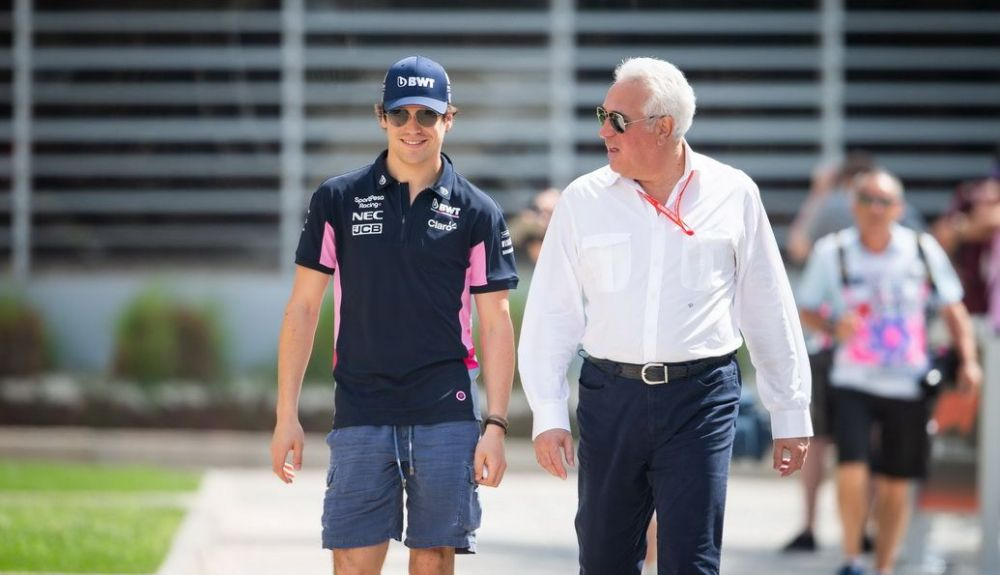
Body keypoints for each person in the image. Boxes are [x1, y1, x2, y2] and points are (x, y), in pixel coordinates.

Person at [518, 56, 813, 575]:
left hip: (700, 398)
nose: (603, 130)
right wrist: (547, 414)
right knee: (604, 559)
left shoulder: (734, 192)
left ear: (664, 127)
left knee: (692, 561)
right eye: (601, 115)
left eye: (617, 120)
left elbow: (767, 304)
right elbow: (552, 313)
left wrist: (790, 411)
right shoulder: (582, 200)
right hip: (610, 398)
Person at [269, 55, 519, 575]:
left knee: (431, 561)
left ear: (449, 118)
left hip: (445, 411)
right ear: (381, 116)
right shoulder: (337, 199)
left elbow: (495, 321)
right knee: (354, 562)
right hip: (361, 406)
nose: (413, 128)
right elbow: (303, 307)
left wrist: (495, 423)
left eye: (426, 115)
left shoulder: (478, 211)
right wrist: (285, 415)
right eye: (400, 114)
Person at [797, 170, 982, 575]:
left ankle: (883, 567)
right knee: (852, 470)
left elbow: (953, 307)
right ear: (853, 205)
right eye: (867, 200)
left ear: (899, 208)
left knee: (897, 482)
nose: (875, 209)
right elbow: (804, 307)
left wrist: (968, 360)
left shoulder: (920, 248)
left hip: (908, 382)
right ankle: (851, 558)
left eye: (885, 202)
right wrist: (832, 327)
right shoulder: (834, 251)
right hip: (853, 379)